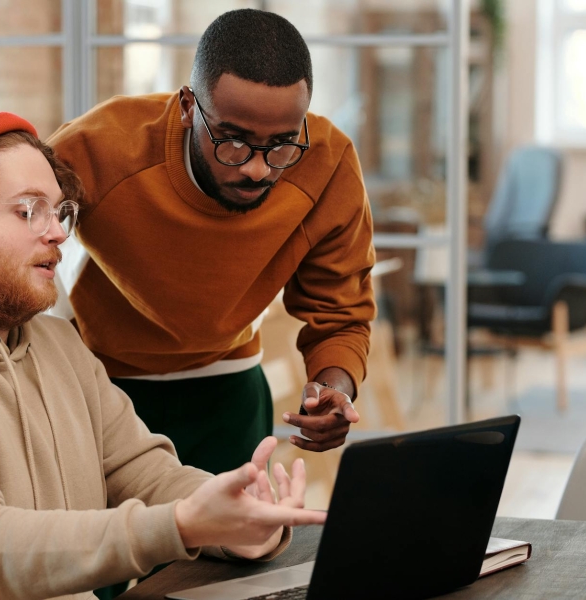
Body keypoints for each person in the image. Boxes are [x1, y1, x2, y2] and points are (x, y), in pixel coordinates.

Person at [0, 112, 326, 600]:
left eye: (60, 212)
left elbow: (143, 473)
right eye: (28, 210)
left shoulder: (60, 344)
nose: (57, 233)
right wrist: (180, 525)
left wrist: (237, 520)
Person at [48, 8, 377, 474]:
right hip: (102, 386)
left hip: (230, 387)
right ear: (187, 107)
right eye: (233, 139)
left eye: (282, 142)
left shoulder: (329, 164)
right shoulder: (98, 148)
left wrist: (335, 388)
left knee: (239, 545)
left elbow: (341, 311)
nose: (257, 168)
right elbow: (13, 245)